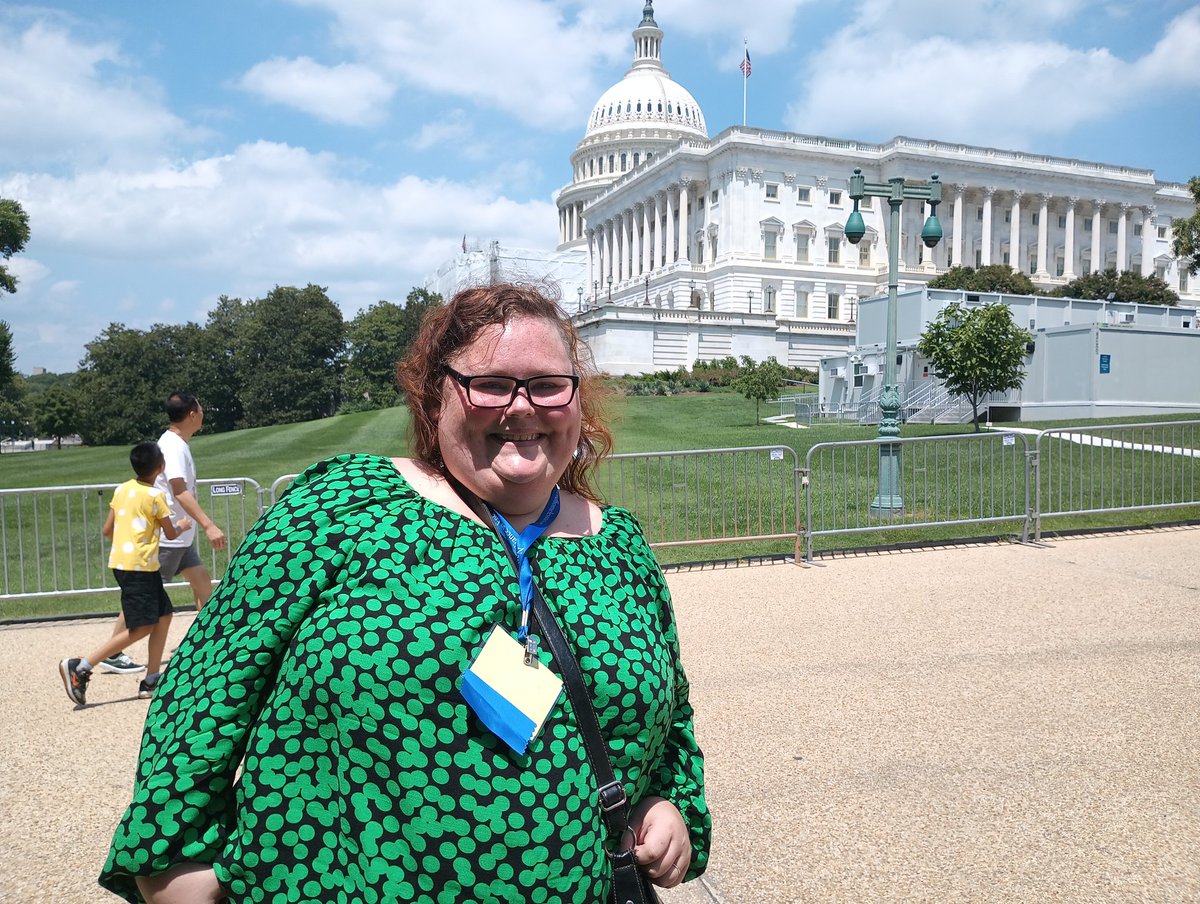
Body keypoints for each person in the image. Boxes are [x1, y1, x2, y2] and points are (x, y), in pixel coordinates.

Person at [100, 283, 711, 903]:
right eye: (492, 384)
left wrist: (667, 803)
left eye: (548, 385)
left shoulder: (618, 545)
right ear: (434, 393)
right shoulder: (341, 509)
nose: (522, 407)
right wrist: (171, 869)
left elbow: (670, 721)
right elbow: (205, 693)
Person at [98, 391, 228, 675]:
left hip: (179, 537)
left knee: (203, 585)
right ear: (192, 414)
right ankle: (113, 650)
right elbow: (180, 491)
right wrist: (208, 524)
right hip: (170, 537)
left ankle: (213, 644)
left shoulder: (175, 443)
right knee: (145, 596)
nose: (203, 413)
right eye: (201, 408)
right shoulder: (172, 446)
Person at [59, 441, 191, 706]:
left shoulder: (122, 489)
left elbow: (108, 529)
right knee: (142, 626)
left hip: (127, 564)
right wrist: (183, 523)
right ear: (161, 468)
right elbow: (171, 532)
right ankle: (81, 666)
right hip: (140, 566)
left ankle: (151, 679)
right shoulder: (156, 497)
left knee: (164, 615)